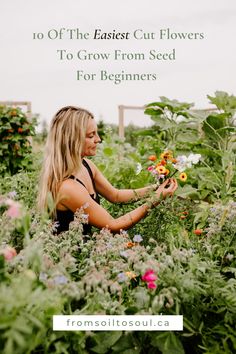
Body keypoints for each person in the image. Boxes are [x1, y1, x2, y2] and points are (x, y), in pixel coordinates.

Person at [38, 106, 178, 235]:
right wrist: (156, 199)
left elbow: (115, 195)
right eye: (91, 135)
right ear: (72, 139)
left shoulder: (85, 165)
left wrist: (155, 188)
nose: (98, 139)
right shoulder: (67, 187)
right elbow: (113, 225)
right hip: (70, 257)